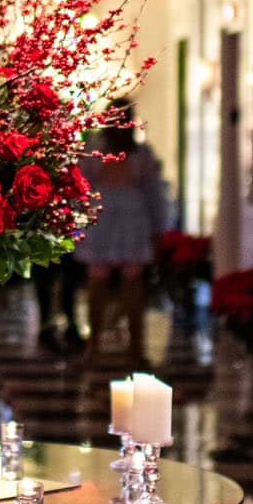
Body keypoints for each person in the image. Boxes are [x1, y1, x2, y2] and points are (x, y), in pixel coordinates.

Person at [72, 111, 167, 363]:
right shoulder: (95, 151)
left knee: (132, 284)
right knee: (98, 283)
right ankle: (94, 344)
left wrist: (159, 227)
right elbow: (79, 184)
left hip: (131, 223)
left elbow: (153, 192)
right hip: (102, 219)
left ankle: (135, 346)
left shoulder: (141, 154)